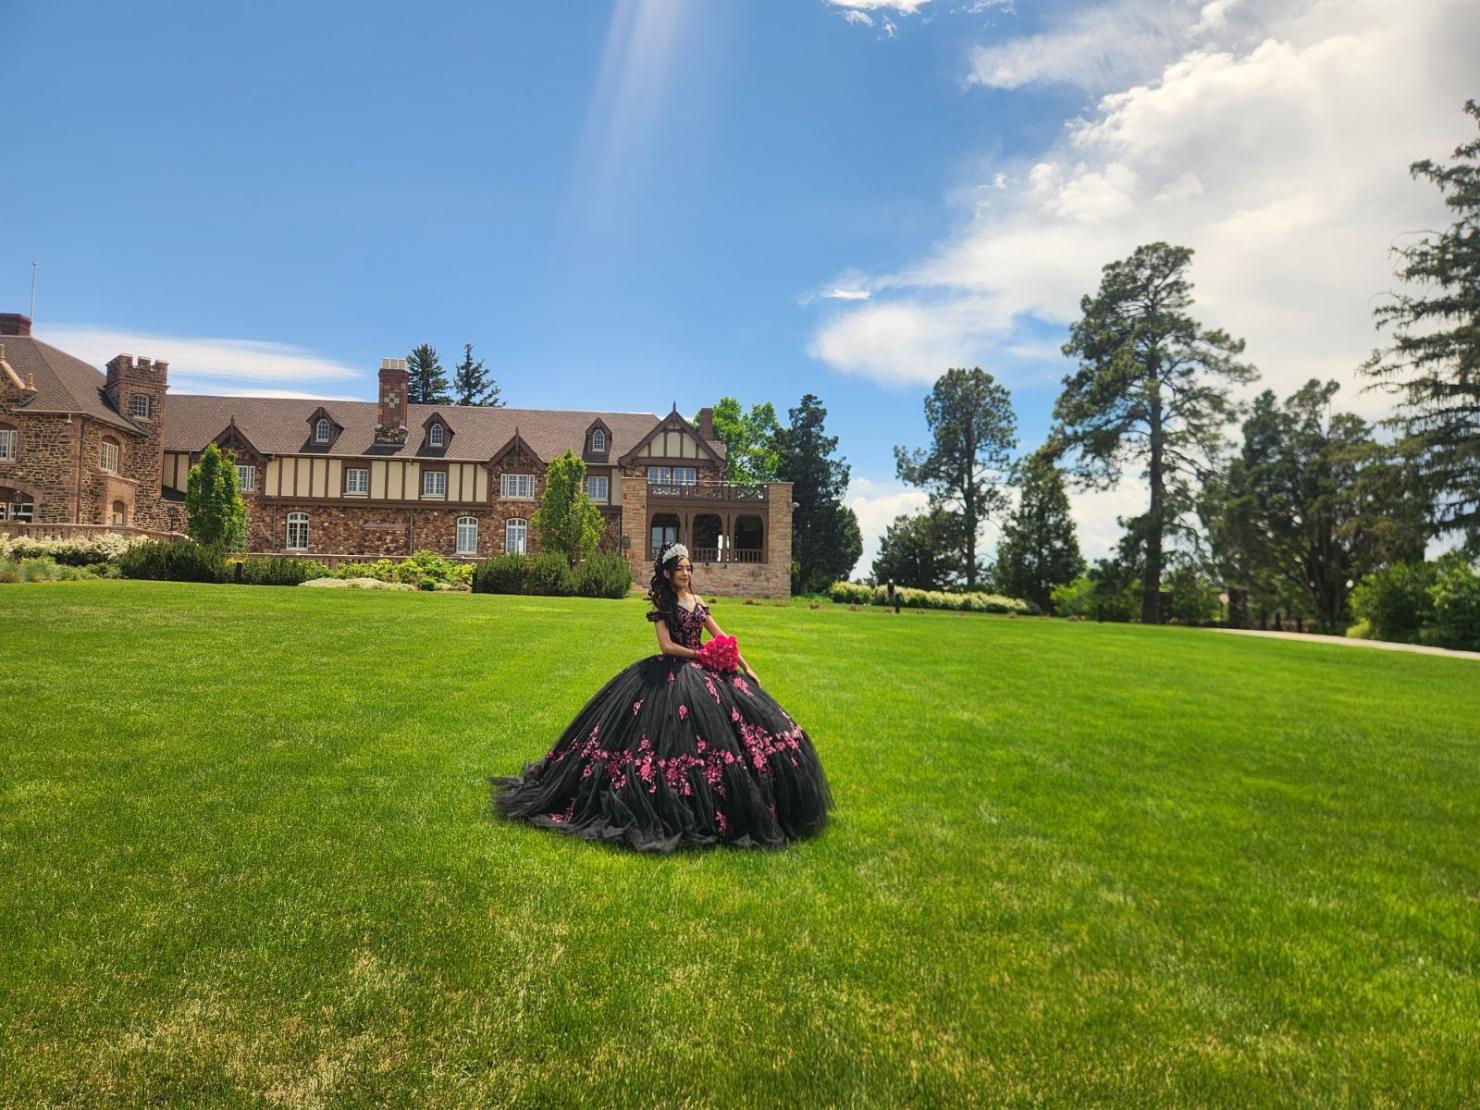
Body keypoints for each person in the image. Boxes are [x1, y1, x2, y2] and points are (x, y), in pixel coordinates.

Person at [490, 543, 833, 852]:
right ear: (668, 573)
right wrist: (699, 656)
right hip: (672, 670)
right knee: (662, 734)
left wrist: (746, 666)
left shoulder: (699, 602)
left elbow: (722, 637)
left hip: (706, 670)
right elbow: (666, 646)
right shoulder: (663, 603)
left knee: (734, 729)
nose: (686, 573)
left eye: (689, 568)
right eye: (680, 568)